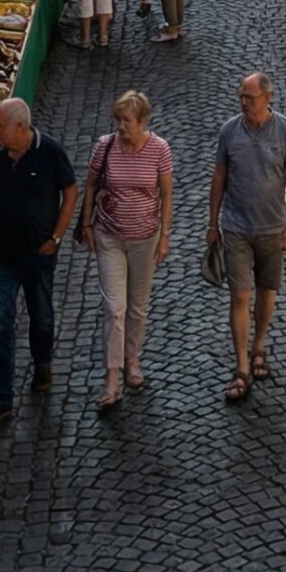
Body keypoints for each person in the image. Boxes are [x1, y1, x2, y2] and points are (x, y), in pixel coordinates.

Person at [0, 97, 77, 428]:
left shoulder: (50, 152)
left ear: (20, 127)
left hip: (38, 255)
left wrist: (56, 237)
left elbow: (70, 191)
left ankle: (43, 361)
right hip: (0, 255)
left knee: (41, 315)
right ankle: (1, 399)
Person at [207, 72, 286, 402]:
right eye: (241, 96)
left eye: (250, 97)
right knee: (239, 296)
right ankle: (241, 367)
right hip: (236, 227)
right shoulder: (229, 131)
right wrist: (212, 222)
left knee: (266, 290)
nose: (244, 102)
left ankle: (259, 345)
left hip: (272, 227)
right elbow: (219, 177)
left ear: (268, 97)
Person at [79, 90, 173, 411]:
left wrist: (165, 236)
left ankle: (132, 358)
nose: (120, 126)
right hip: (109, 237)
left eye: (127, 121)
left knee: (137, 306)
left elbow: (166, 194)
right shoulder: (105, 147)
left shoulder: (159, 149)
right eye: (118, 120)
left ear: (143, 121)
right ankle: (112, 377)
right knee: (114, 308)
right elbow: (91, 184)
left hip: (145, 239)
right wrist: (87, 224)